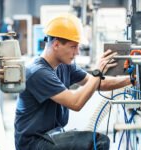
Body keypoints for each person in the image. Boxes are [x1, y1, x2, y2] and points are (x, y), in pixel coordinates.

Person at [14, 13, 130, 150]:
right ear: (56, 44)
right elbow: (76, 103)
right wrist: (98, 72)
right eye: (73, 47)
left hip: (52, 135)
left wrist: (131, 79)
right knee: (98, 142)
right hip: (34, 143)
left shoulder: (65, 65)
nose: (77, 52)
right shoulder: (37, 72)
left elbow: (99, 83)